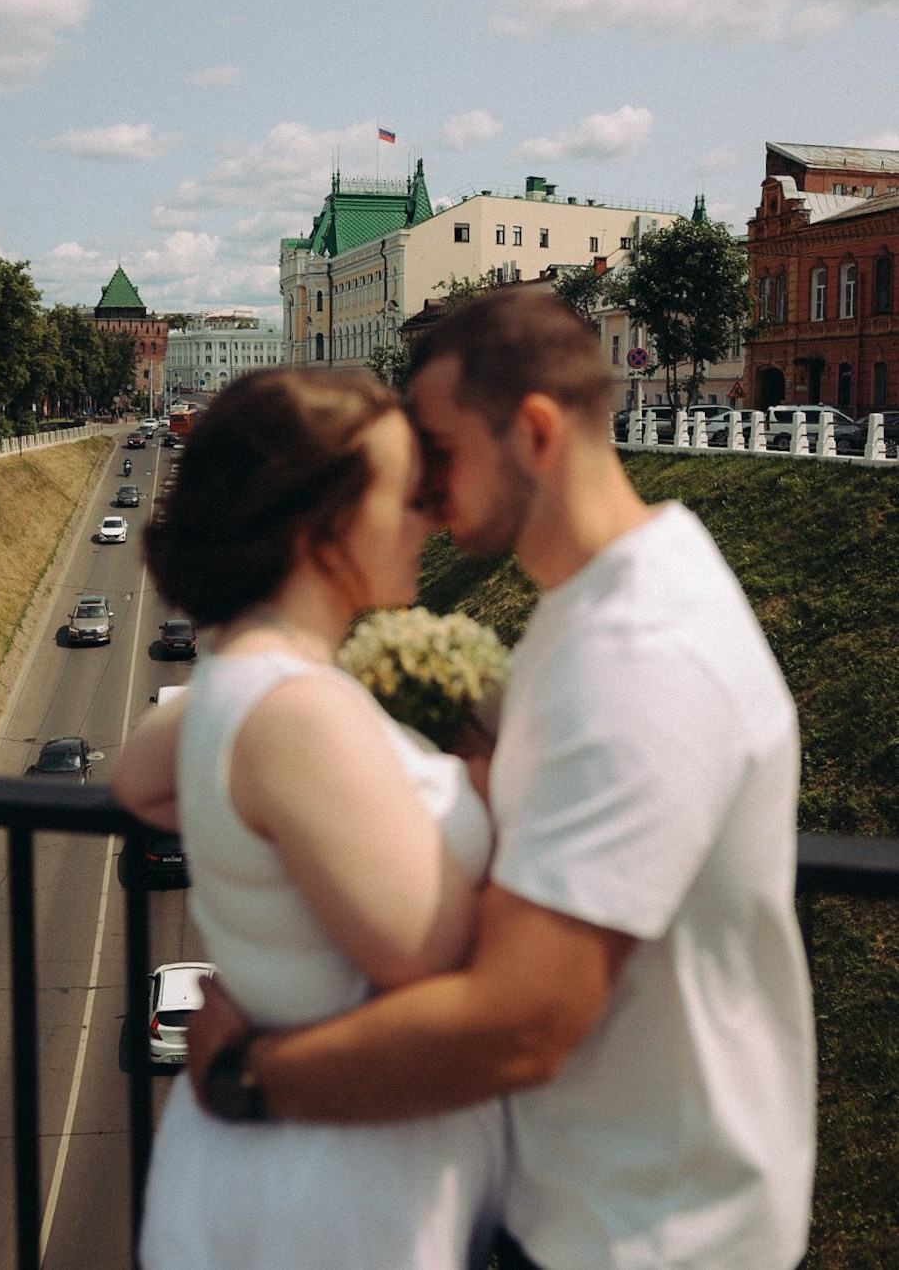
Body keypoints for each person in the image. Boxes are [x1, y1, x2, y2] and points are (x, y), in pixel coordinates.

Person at [186, 286, 817, 1270]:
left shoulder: (642, 654)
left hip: (644, 1234)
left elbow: (520, 1024)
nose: (421, 491)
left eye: (435, 452)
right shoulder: (590, 611)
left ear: (531, 432)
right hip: (598, 1204)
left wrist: (251, 1074)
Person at [111, 367, 505, 1270]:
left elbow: (138, 780)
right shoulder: (298, 714)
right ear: (321, 521)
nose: (430, 518)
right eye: (406, 496)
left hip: (282, 1173)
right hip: (324, 1205)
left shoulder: (247, 681)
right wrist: (486, 785)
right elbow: (430, 948)